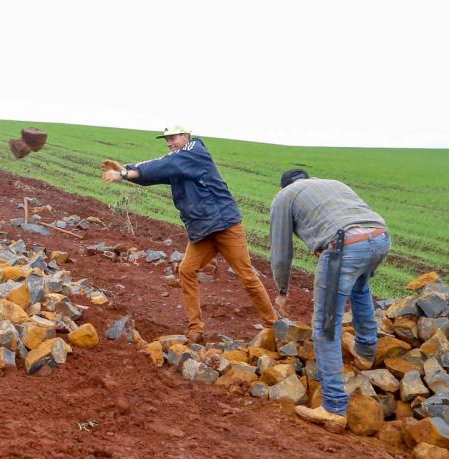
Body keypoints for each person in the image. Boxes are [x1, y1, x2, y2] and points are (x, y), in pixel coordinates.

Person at [102, 124, 277, 344]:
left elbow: (165, 163)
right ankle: (196, 329)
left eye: (173, 138)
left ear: (186, 136)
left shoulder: (195, 152)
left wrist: (125, 172)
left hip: (225, 225)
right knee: (186, 270)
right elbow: (154, 173)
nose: (169, 142)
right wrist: (126, 173)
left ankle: (273, 325)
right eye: (167, 139)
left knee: (246, 275)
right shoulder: (177, 162)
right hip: (202, 231)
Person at [270, 169, 390, 428]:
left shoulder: (284, 197)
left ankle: (334, 407)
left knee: (325, 326)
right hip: (380, 236)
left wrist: (282, 290)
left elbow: (281, 250)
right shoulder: (333, 182)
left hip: (344, 245)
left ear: (283, 187)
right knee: (360, 288)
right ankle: (366, 352)